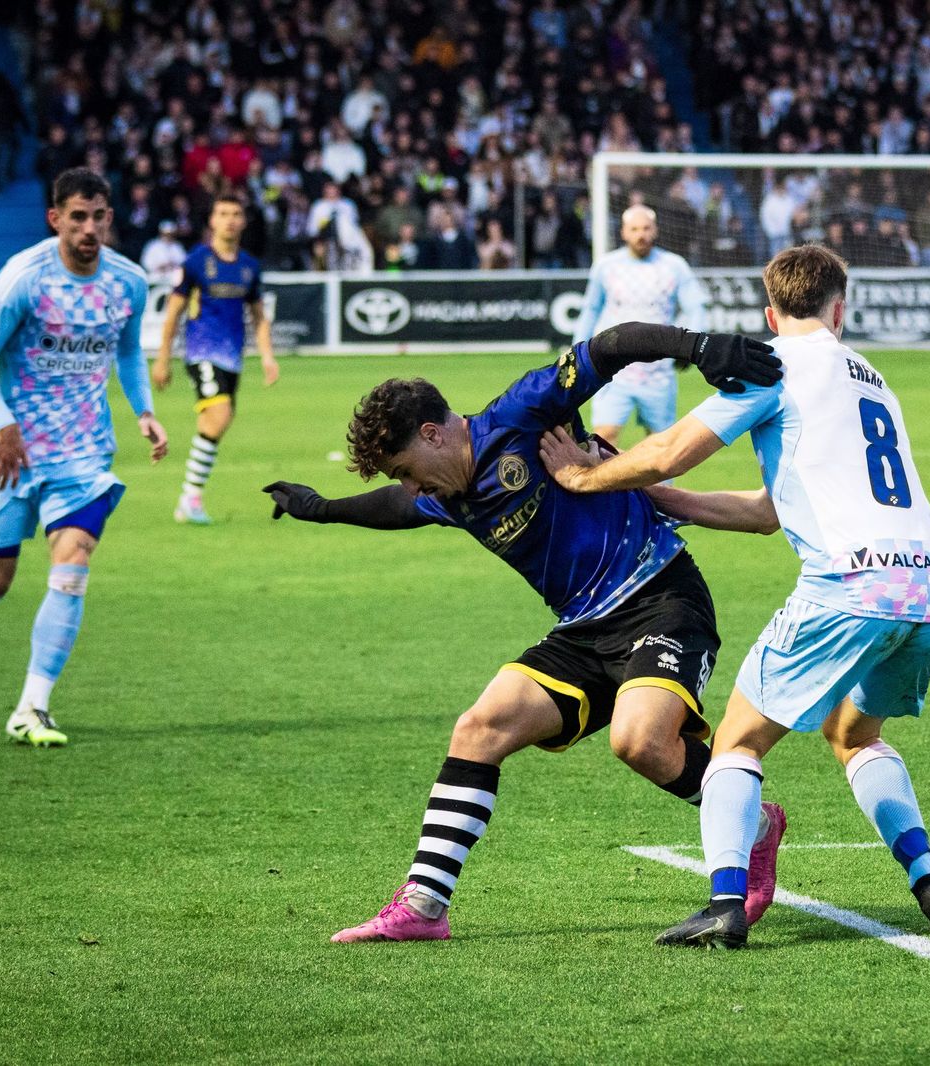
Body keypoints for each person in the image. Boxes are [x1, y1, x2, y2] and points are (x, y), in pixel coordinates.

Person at [261, 322, 784, 943]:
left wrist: (700, 348)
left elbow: (609, 347)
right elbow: (394, 510)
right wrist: (321, 508)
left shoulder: (521, 413)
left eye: (406, 468)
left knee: (640, 741)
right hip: (583, 632)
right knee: (479, 727)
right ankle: (424, 907)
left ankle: (753, 828)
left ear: (433, 433)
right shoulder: (444, 495)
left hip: (662, 597)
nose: (410, 487)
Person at [540, 245, 930, 949]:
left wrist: (586, 479)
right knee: (854, 732)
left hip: (851, 581)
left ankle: (723, 903)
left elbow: (670, 448)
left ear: (768, 314)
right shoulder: (871, 377)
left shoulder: (771, 364)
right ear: (842, 308)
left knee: (736, 742)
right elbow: (769, 510)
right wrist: (657, 496)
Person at [0, 168, 170, 744]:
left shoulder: (128, 282)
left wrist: (143, 409)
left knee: (73, 565)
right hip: (11, 455)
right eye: (78, 217)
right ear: (55, 218)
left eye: (99, 217)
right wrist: (5, 425)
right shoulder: (25, 278)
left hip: (84, 455)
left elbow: (128, 352)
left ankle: (32, 707)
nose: (89, 229)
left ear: (110, 219)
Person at [151, 193, 279, 524]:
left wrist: (267, 356)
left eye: (236, 213)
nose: (230, 219)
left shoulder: (250, 266)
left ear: (243, 221)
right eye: (223, 213)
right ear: (212, 220)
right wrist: (163, 358)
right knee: (219, 417)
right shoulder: (195, 262)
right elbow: (174, 312)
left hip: (232, 357)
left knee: (214, 423)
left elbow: (259, 315)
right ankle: (190, 498)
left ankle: (189, 499)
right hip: (201, 351)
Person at [573, 205, 707, 447]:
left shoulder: (674, 266)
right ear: (623, 232)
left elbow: (696, 307)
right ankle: (609, 485)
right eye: (634, 229)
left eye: (646, 228)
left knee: (659, 445)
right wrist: (577, 350)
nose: (640, 234)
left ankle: (654, 487)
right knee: (604, 436)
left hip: (658, 371)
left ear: (655, 230)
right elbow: (590, 310)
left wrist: (690, 347)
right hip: (611, 368)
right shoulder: (607, 266)